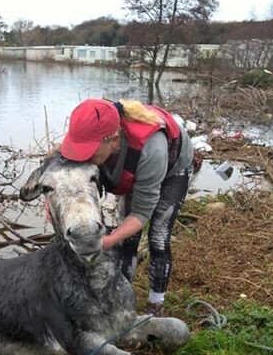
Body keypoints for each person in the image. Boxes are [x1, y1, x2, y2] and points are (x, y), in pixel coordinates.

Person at [60, 98, 194, 316]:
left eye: (88, 151)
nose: (82, 158)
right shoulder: (94, 129)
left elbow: (141, 212)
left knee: (158, 239)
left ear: (113, 140)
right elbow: (62, 168)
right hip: (133, 163)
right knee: (128, 241)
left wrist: (109, 240)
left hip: (173, 169)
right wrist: (50, 203)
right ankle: (121, 299)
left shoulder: (153, 151)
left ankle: (155, 304)